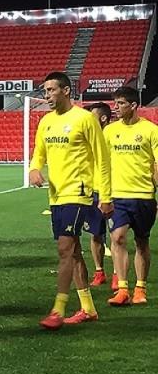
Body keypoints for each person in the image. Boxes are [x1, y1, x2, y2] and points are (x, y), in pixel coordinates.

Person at [28, 71, 111, 330]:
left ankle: (58, 309)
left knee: (65, 248)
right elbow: (38, 152)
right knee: (73, 251)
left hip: (79, 191)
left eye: (51, 90)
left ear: (66, 90)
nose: (47, 96)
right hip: (55, 194)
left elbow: (102, 159)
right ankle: (88, 308)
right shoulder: (46, 122)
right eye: (45, 91)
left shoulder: (85, 119)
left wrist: (105, 196)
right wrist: (34, 168)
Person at [105, 86, 158, 306]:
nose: (115, 108)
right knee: (117, 237)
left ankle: (140, 288)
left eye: (120, 104)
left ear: (134, 105)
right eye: (114, 103)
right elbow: (102, 164)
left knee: (141, 242)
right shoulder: (108, 131)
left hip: (144, 195)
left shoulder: (151, 130)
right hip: (118, 196)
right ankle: (123, 288)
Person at [83, 102, 112, 288]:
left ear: (102, 118)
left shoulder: (112, 135)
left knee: (118, 237)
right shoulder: (87, 137)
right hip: (92, 192)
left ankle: (119, 276)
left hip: (113, 192)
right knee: (95, 235)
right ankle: (99, 271)